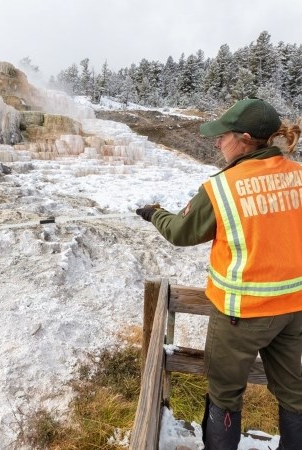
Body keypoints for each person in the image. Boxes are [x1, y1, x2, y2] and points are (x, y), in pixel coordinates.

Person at [136, 98, 302, 450]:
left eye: (222, 136)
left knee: (225, 394)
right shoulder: (298, 175)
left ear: (243, 138)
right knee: (294, 393)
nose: (216, 142)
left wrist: (155, 214)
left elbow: (182, 232)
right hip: (293, 309)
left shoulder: (223, 188)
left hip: (240, 315)